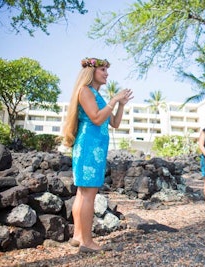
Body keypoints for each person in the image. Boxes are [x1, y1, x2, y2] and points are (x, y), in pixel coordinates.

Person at [63, 57, 133, 253]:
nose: (106, 73)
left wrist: (121, 104)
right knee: (88, 194)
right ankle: (86, 241)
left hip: (96, 148)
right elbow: (95, 118)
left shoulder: (97, 95)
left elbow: (114, 123)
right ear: (92, 72)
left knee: (83, 193)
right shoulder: (85, 91)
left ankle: (78, 236)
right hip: (88, 146)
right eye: (103, 69)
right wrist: (113, 100)